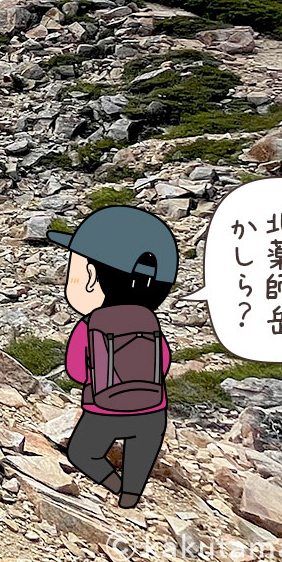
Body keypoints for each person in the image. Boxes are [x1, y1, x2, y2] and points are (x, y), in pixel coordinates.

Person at [47, 205, 178, 508]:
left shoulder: (89, 324)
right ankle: (131, 494)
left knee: (81, 452)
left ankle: (114, 485)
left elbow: (77, 371)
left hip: (105, 409)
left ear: (91, 277)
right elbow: (165, 363)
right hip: (152, 411)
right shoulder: (151, 321)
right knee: (141, 454)